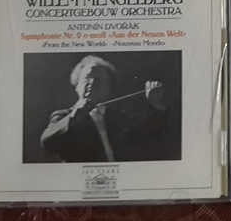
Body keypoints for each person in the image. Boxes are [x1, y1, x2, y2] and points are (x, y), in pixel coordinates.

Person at [40, 55, 170, 162]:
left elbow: (150, 140)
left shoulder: (120, 118)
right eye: (87, 78)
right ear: (77, 85)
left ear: (108, 88)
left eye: (99, 79)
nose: (92, 82)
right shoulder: (62, 116)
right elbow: (47, 143)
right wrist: (78, 113)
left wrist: (155, 105)